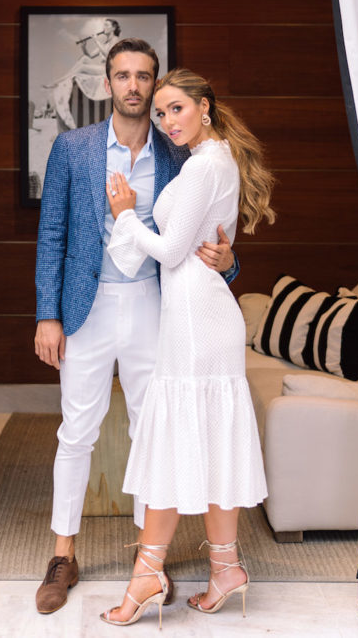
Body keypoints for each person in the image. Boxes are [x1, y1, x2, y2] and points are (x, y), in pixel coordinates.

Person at [34, 40, 239, 615]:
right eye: (121, 75)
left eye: (143, 77)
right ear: (105, 84)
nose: (132, 86)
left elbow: (212, 229)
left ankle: (147, 559)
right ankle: (62, 554)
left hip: (156, 305)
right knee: (77, 431)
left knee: (158, 431)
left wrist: (231, 263)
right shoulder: (72, 148)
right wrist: (47, 314)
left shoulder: (180, 152)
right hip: (87, 307)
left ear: (155, 88)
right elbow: (52, 235)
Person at [99, 68, 275, 627]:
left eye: (176, 108)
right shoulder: (214, 160)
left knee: (177, 445)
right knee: (207, 442)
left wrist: (125, 214)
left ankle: (148, 573)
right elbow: (197, 245)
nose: (167, 120)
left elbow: (172, 251)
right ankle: (225, 568)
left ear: (204, 106)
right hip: (200, 312)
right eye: (161, 113)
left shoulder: (204, 165)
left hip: (197, 319)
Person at [43, 18, 121, 130]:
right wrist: (83, 46)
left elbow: (109, 55)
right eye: (104, 25)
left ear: (113, 28)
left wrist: (96, 41)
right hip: (101, 67)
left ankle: (58, 81)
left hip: (109, 70)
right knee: (84, 59)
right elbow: (89, 56)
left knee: (83, 66)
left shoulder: (116, 40)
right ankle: (63, 79)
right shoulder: (105, 42)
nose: (104, 28)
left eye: (107, 25)